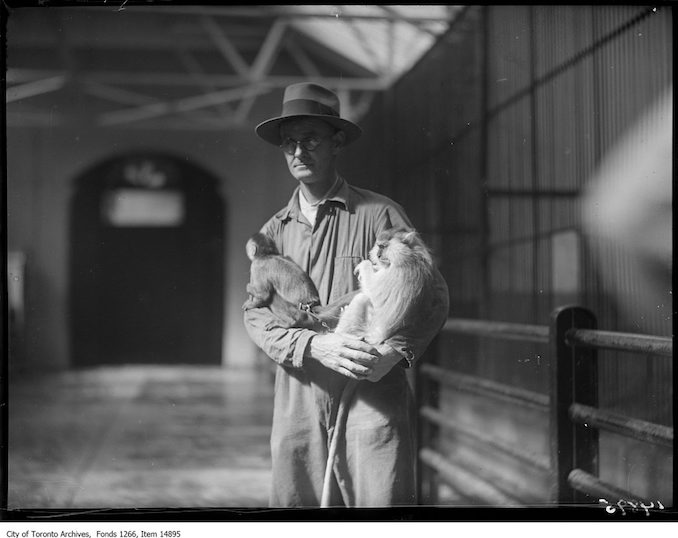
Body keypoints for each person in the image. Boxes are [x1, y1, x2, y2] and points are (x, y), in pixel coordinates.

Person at [243, 82, 449, 507]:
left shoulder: (379, 214)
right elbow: (255, 313)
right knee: (299, 501)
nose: (299, 152)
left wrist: (397, 351)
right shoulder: (273, 232)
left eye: (311, 139)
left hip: (371, 385)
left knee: (379, 499)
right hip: (300, 387)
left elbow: (432, 294)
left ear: (337, 142)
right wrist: (312, 343)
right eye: (289, 143)